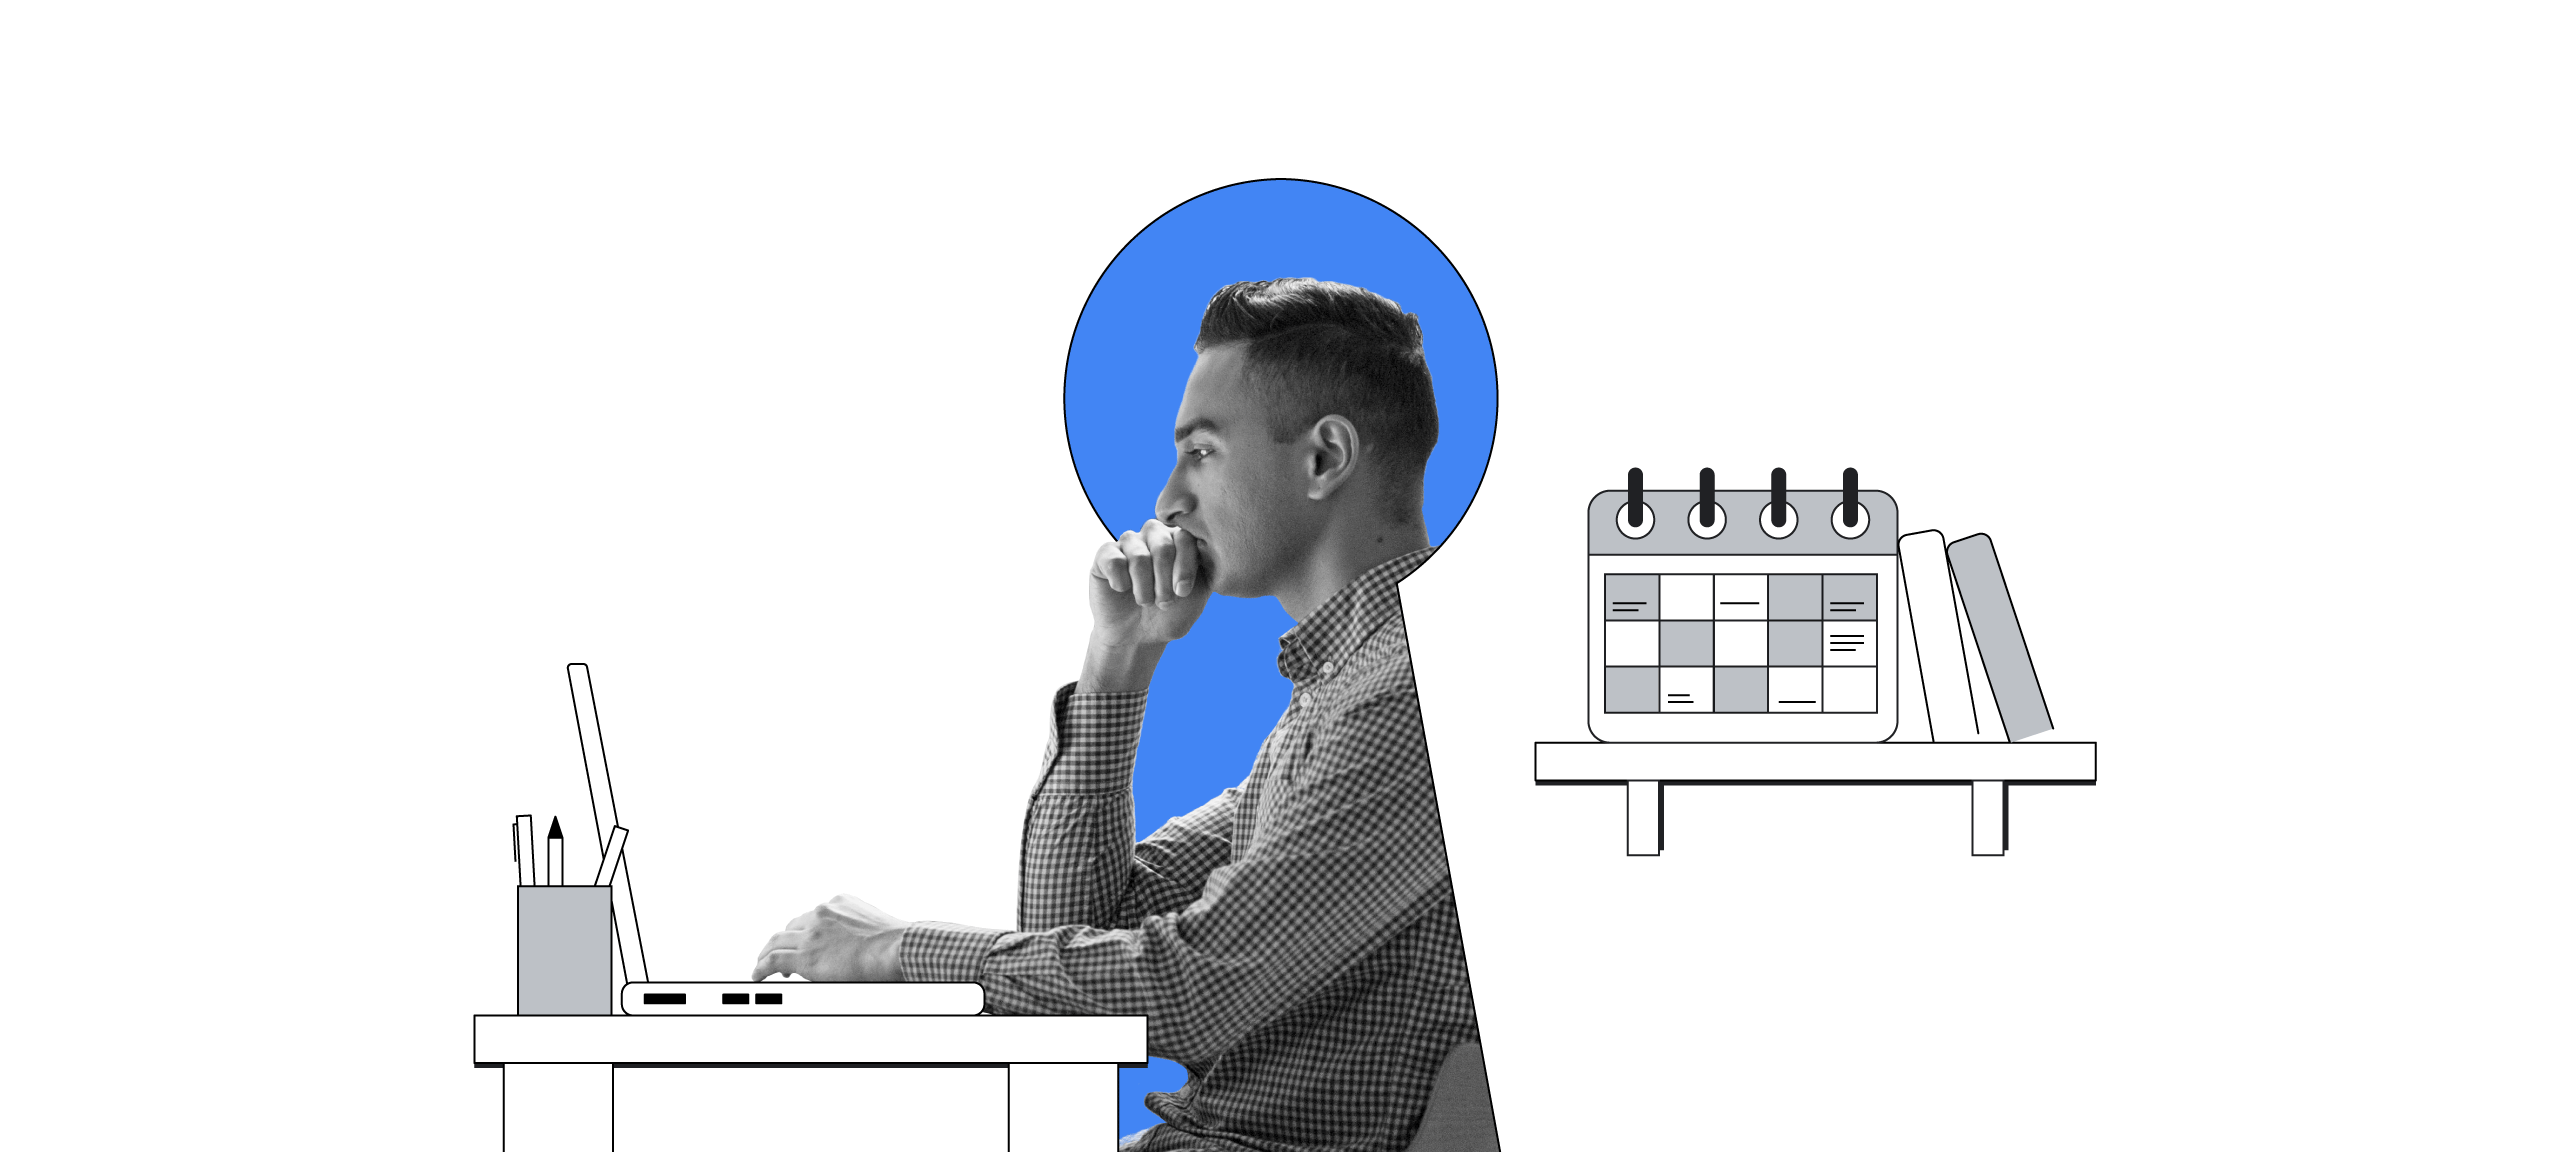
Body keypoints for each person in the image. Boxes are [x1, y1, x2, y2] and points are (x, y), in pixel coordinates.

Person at [753, 278, 1490, 1152]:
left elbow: (1193, 993)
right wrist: (1120, 660)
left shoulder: (1413, 702)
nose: (1169, 498)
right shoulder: (1337, 693)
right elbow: (1077, 933)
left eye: (1203, 452)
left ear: (1324, 459)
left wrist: (893, 949)